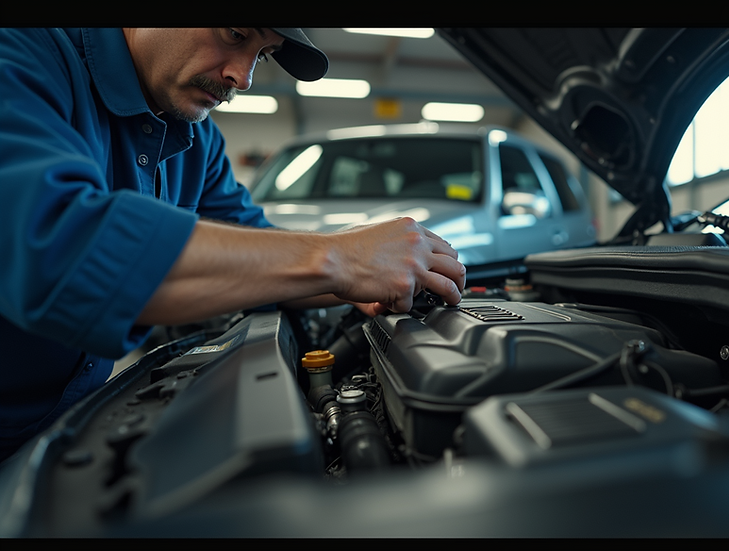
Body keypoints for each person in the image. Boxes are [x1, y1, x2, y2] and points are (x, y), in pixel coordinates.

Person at [0, 28, 466, 461]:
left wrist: (364, 275)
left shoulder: (193, 137)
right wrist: (340, 257)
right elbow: (59, 249)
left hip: (58, 433)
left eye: (261, 54)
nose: (241, 78)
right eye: (235, 33)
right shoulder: (20, 54)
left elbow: (258, 250)